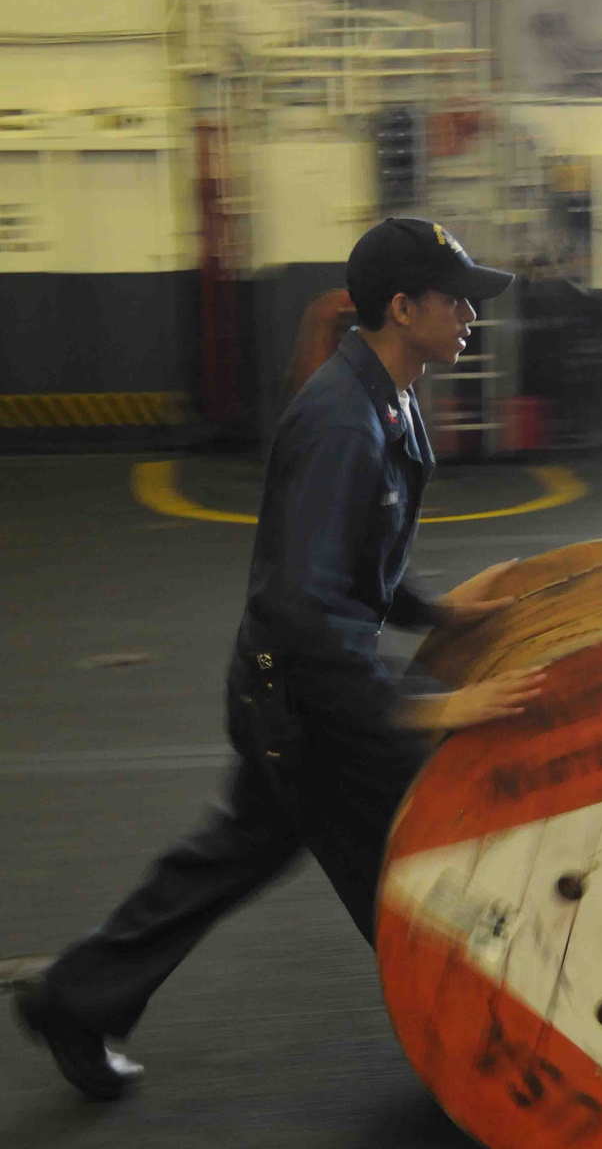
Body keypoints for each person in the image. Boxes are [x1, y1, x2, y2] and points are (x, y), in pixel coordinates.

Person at [15, 216, 543, 1102]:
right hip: (302, 701)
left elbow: (359, 552)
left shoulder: (392, 396)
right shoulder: (343, 419)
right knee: (425, 854)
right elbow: (308, 605)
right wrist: (421, 711)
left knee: (239, 851)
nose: (470, 317)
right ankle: (521, 1057)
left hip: (300, 688)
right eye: (456, 301)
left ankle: (73, 1000)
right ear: (404, 308)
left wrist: (434, 608)